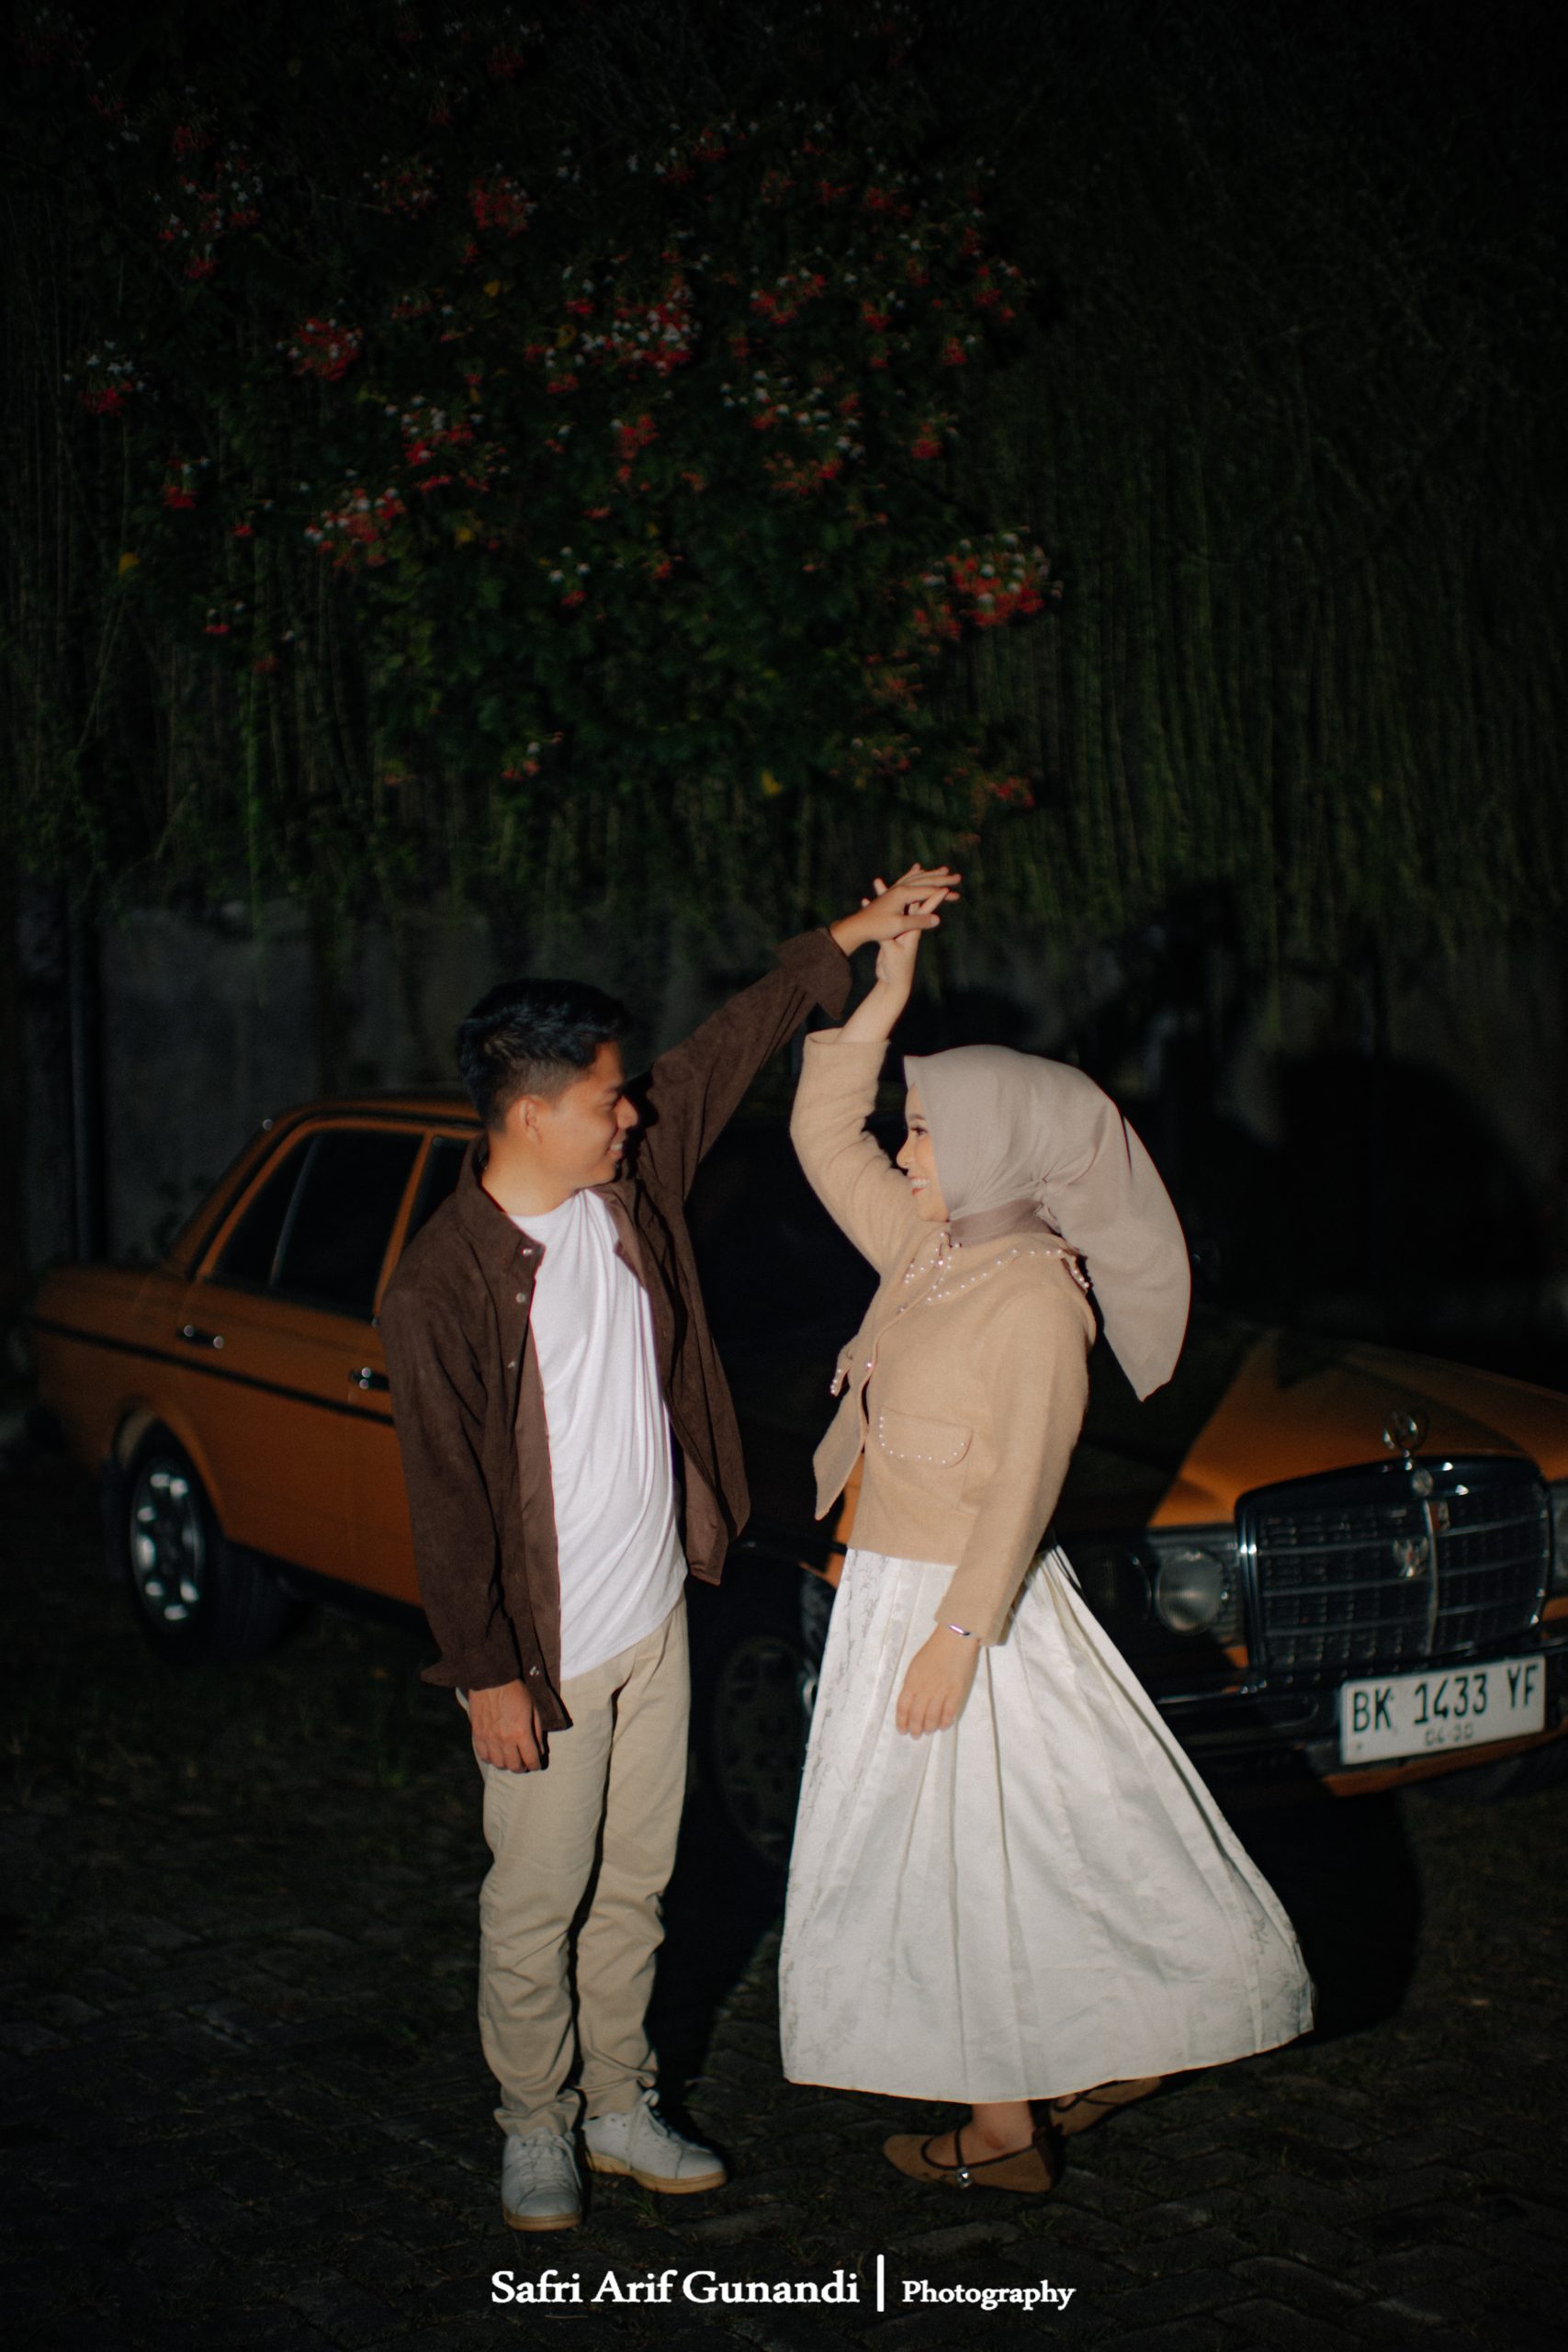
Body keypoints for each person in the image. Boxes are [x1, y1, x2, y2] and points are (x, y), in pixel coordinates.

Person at [378, 871, 959, 2233]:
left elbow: (728, 1045)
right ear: (532, 1114)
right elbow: (446, 1498)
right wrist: (487, 1671)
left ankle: (620, 2102)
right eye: (606, 1098)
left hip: (653, 1617)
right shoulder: (443, 1284)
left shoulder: (627, 1192)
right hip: (546, 1653)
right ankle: (535, 2126)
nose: (632, 1112)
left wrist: (852, 940)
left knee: (639, 1882)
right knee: (538, 1900)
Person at [779, 877, 1314, 2192]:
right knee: (949, 1855)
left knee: (1036, 1845)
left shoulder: (1030, 1295)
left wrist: (957, 1634)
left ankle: (1092, 2061)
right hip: (894, 1591)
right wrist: (883, 996)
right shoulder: (929, 1247)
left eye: (925, 1132)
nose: (905, 1151)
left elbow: (1027, 1481)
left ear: (996, 1146)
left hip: (969, 1608)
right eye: (910, 1129)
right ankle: (1007, 2124)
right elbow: (818, 1129)